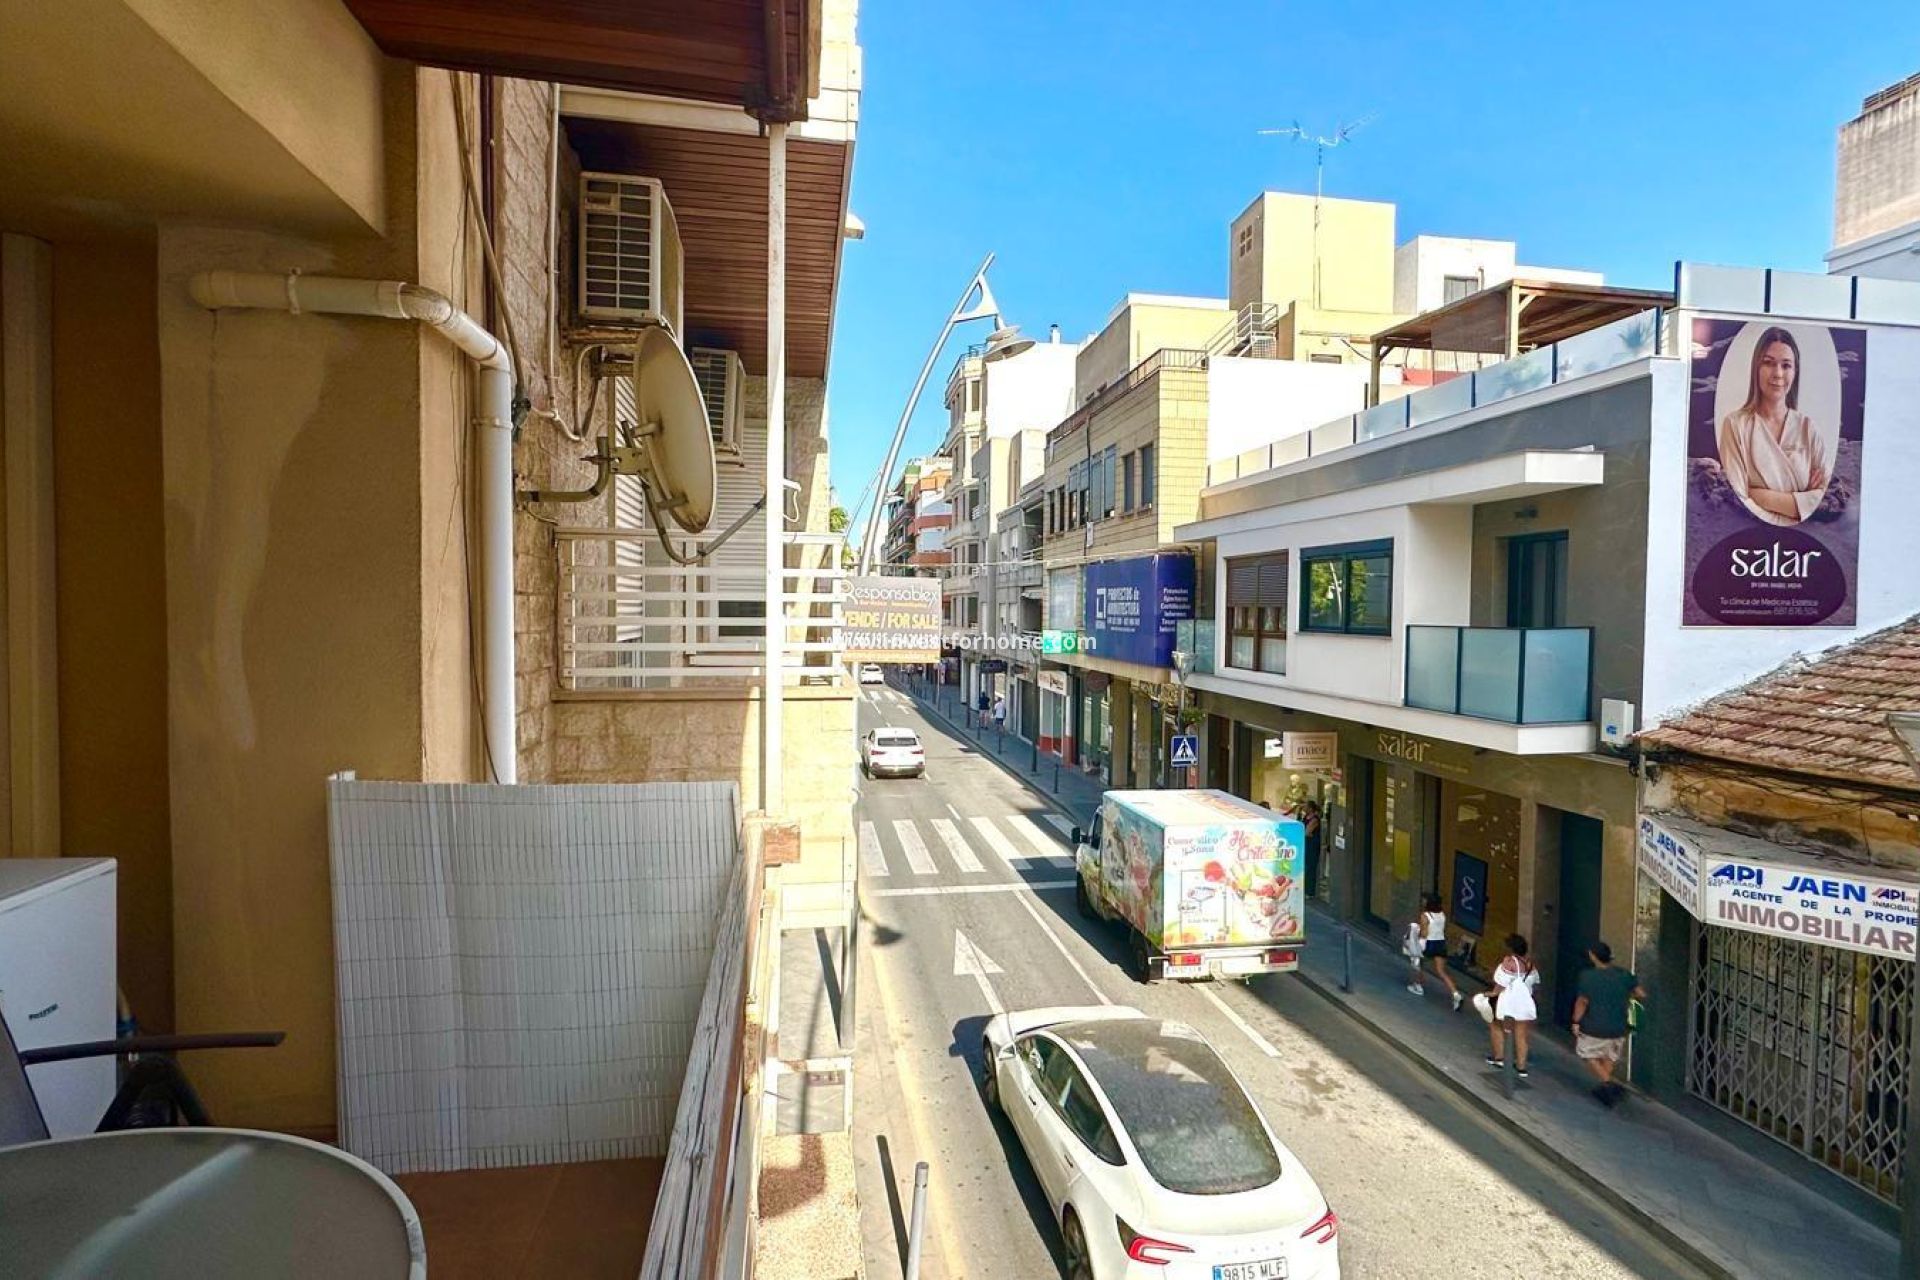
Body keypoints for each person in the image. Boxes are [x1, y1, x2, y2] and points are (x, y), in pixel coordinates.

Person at [1716, 326, 1829, 526]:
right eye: (1768, 363)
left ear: (1795, 372)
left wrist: (1761, 496)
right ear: (1756, 368)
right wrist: (1799, 504)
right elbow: (1739, 501)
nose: (1777, 373)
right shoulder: (1735, 426)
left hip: (1802, 541)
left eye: (1786, 365)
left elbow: (1824, 501)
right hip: (1752, 538)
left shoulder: (1808, 429)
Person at [1571, 941, 1645, 1108]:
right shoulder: (1624, 975)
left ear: (1593, 956)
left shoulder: (1587, 976)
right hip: (1619, 1026)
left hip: (1594, 1025)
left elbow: (1582, 1002)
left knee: (1586, 1053)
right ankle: (1605, 1090)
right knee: (1608, 1055)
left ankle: (1609, 1084)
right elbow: (1641, 994)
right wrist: (1624, 998)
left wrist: (1576, 1021)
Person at [1486, 934, 1540, 1077]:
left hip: (1509, 1002)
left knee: (1496, 1026)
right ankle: (1521, 1067)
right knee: (1521, 1035)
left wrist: (1493, 993)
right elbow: (1534, 982)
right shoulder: (1530, 965)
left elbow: (1501, 983)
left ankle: (1499, 1058)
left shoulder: (1509, 962)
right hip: (1524, 1004)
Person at [1406, 892, 1463, 1011]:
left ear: (1428, 903)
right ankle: (1456, 994)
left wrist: (1416, 933)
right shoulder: (1442, 915)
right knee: (1441, 971)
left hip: (1429, 943)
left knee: (1418, 962)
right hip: (1440, 943)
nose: (1423, 901)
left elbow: (1424, 933)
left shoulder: (1425, 915)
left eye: (1425, 900)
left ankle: (1418, 985)